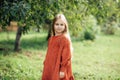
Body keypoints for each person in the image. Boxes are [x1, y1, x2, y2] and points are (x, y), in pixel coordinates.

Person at [42, 14, 74, 80]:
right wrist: (46, 63)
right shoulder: (51, 39)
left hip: (59, 68)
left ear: (65, 26)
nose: (59, 27)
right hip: (50, 67)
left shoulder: (64, 39)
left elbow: (66, 56)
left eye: (61, 24)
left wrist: (63, 69)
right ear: (53, 25)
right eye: (57, 24)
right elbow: (49, 53)